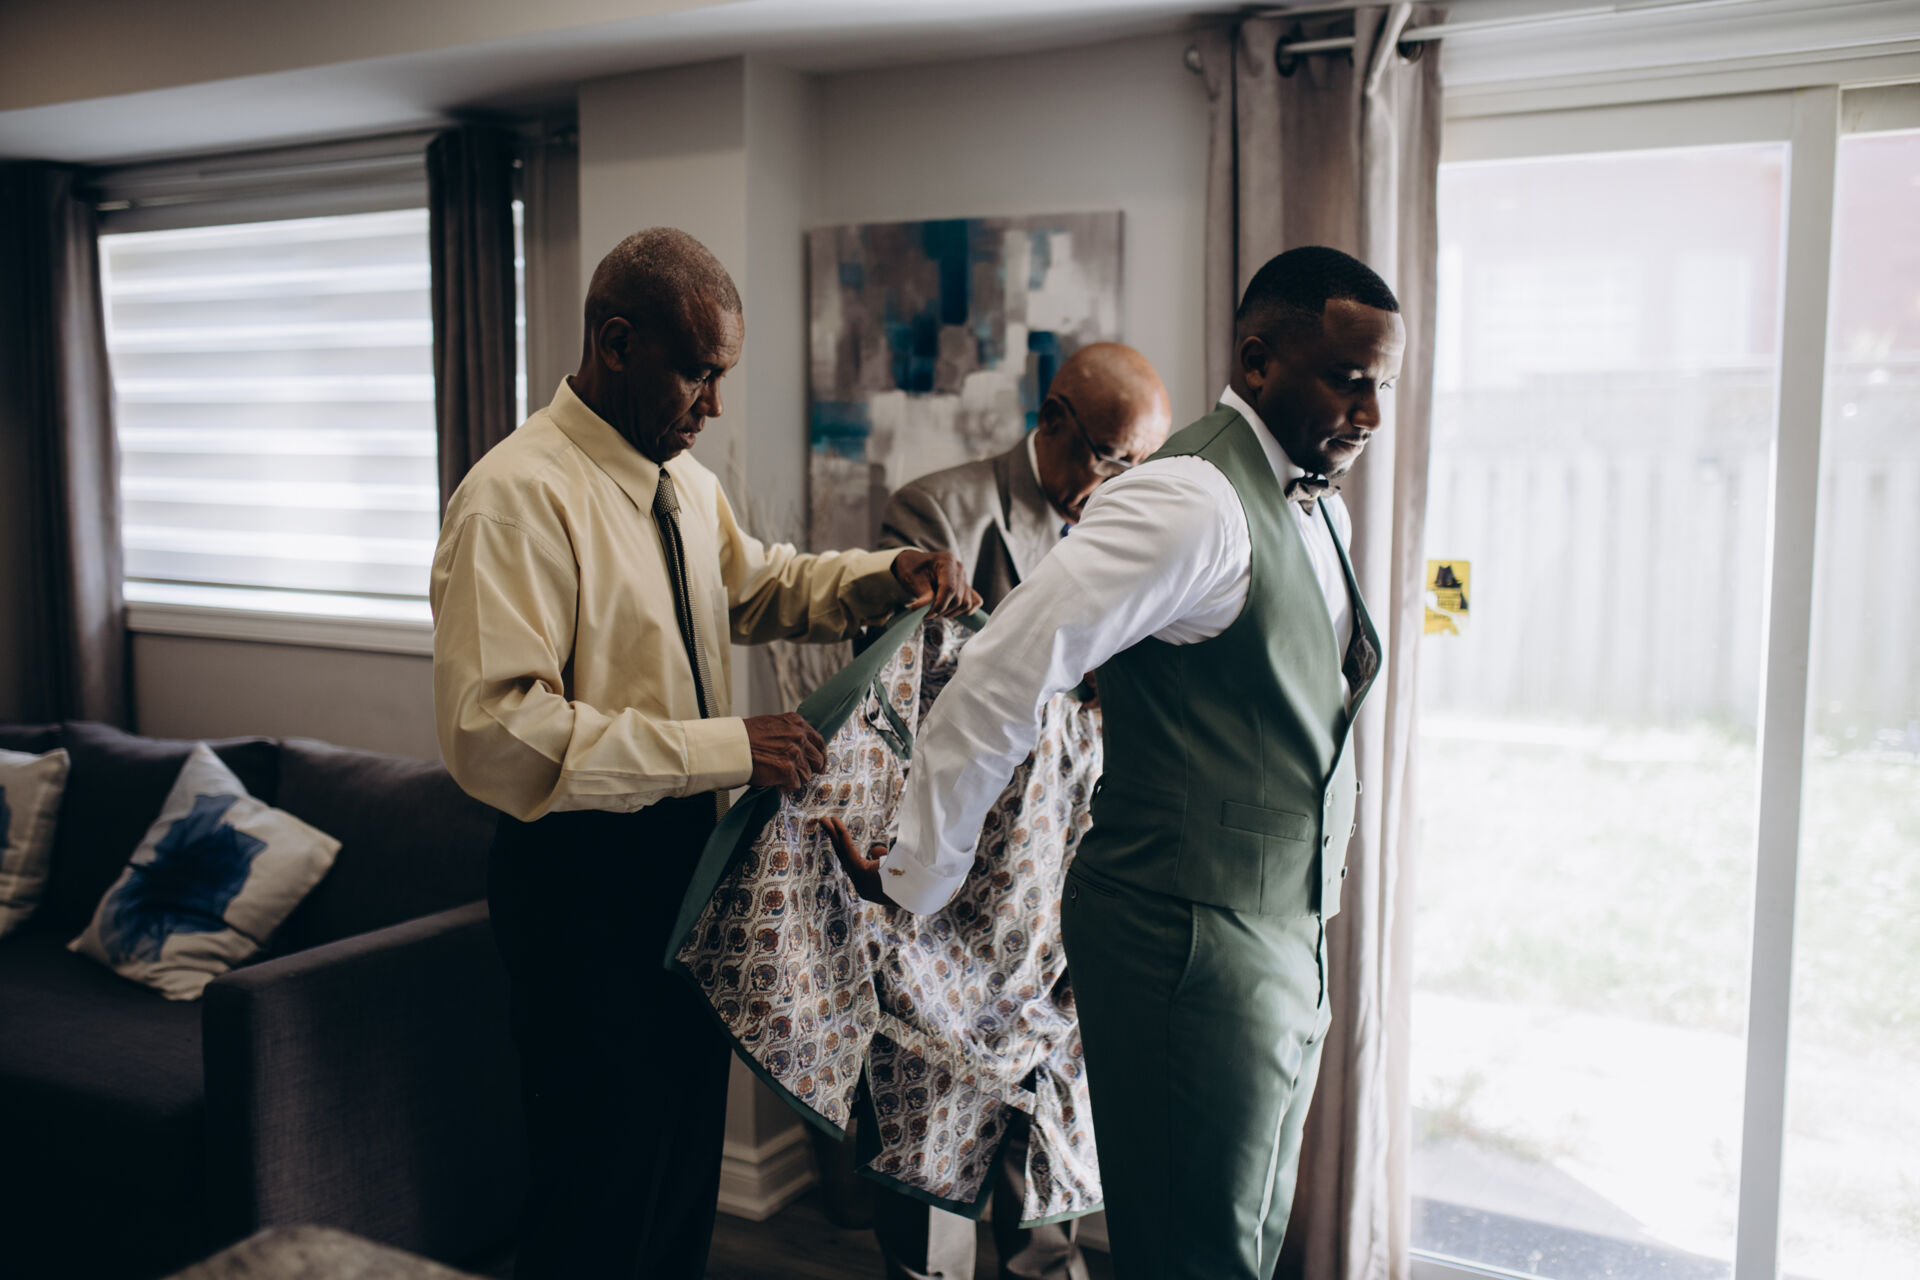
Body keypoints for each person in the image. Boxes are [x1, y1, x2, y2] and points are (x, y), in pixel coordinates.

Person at [825, 246, 1403, 1279]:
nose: (1368, 412)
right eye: (1347, 379)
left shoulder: (1325, 511)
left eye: (1383, 386)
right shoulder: (1188, 500)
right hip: (1186, 938)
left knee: (1243, 1238)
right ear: (1258, 361)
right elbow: (1003, 668)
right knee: (1194, 1252)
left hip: (1285, 936)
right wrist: (920, 869)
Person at [430, 227, 977, 1280]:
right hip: (580, 882)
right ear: (617, 343)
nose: (714, 404)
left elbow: (758, 584)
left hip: (689, 867)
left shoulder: (681, 482)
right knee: (597, 1189)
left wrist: (884, 573)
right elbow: (495, 730)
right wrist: (729, 748)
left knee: (679, 1172)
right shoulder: (515, 499)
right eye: (698, 372)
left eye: (722, 374)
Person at [860, 341, 1170, 1280]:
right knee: (931, 1167)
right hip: (951, 913)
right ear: (1053, 420)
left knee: (1046, 1170)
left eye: (1139, 467)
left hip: (1068, 906)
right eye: (1111, 458)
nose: (1121, 484)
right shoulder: (933, 513)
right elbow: (899, 703)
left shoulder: (1131, 530)